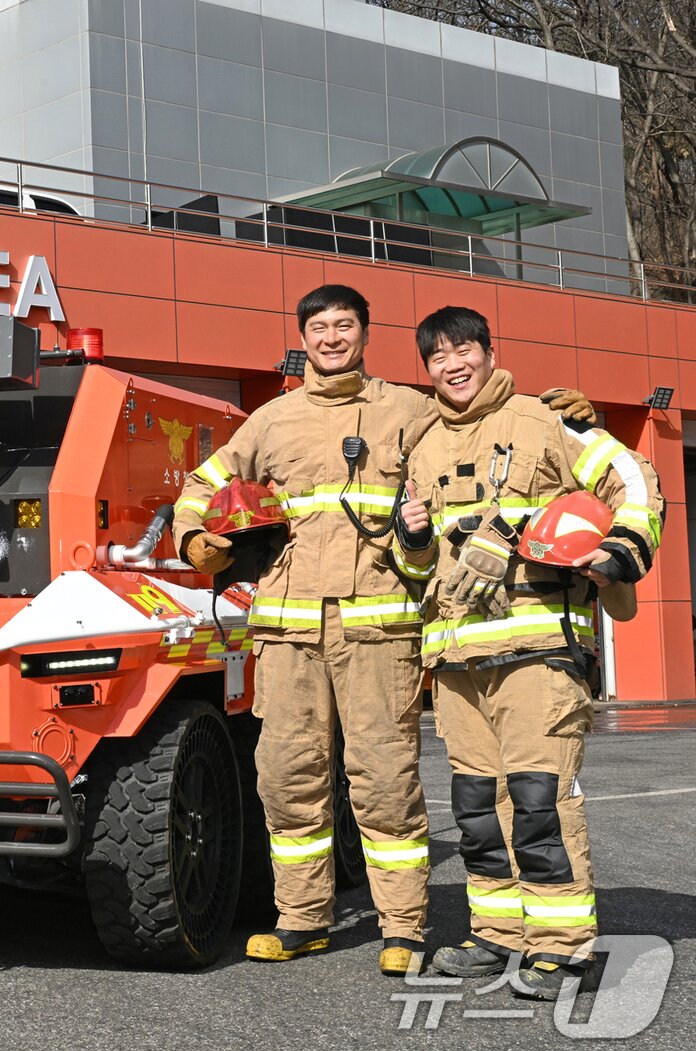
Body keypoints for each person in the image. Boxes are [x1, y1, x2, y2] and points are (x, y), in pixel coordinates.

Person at [172, 285, 596, 976]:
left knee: (386, 782)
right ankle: (301, 917)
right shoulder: (270, 420)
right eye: (318, 327)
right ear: (302, 339)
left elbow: (480, 419)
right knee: (287, 778)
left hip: (381, 630)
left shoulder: (411, 409)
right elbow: (202, 484)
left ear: (366, 335)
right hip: (287, 634)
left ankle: (402, 925)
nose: (331, 337)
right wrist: (195, 538)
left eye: (344, 325)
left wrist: (566, 417)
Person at [396, 306, 662, 1000]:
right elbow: (417, 566)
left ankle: (563, 949)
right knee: (478, 808)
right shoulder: (422, 445)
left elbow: (633, 479)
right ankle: (497, 935)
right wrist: (413, 537)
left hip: (538, 651)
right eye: (437, 357)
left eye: (463, 350)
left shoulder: (547, 420)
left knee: (539, 802)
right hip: (457, 661)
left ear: (489, 352)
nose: (452, 365)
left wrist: (620, 551)